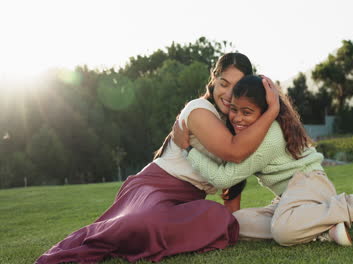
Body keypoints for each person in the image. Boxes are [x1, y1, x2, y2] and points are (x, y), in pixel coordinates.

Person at [36, 53, 281, 263]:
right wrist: (273, 110)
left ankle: (142, 234)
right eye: (223, 83)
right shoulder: (198, 110)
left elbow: (233, 177)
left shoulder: (239, 123)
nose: (228, 94)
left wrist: (232, 221)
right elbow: (234, 152)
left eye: (236, 87)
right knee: (142, 222)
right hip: (154, 186)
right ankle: (112, 234)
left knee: (221, 218)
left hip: (187, 201)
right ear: (213, 80)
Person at [176, 75, 353, 247]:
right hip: (290, 197)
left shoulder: (268, 136)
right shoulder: (254, 132)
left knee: (283, 233)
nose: (237, 118)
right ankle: (324, 229)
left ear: (265, 112)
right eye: (234, 110)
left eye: (247, 112)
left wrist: (187, 148)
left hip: (310, 186)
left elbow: (223, 177)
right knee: (237, 222)